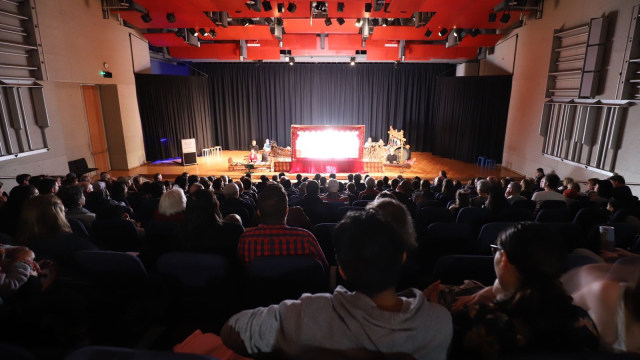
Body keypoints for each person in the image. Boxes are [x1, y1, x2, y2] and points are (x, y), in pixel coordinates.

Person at [222, 210, 452, 359]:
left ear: (341, 270)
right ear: (403, 257)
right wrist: (416, 300)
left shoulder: (305, 314)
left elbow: (232, 328)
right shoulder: (440, 321)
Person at [427, 222, 599, 359]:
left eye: (496, 251)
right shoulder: (583, 320)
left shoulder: (476, 320)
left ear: (504, 259)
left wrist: (432, 316)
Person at [236, 183, 327, 267]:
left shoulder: (246, 239)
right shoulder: (306, 238)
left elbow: (241, 272)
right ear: (287, 211)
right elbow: (324, 268)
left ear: (259, 213)